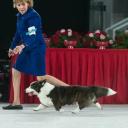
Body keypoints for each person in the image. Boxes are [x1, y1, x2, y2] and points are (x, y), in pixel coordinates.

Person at [3, 0, 69, 110]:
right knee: (15, 70)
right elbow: (18, 33)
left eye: (23, 4)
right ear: (15, 6)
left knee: (41, 77)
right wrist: (12, 47)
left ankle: (73, 91)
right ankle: (16, 102)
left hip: (36, 48)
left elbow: (32, 36)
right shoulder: (19, 16)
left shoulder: (33, 16)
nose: (21, 7)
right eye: (18, 5)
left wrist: (22, 46)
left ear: (28, 4)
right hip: (27, 48)